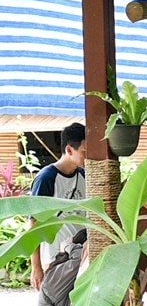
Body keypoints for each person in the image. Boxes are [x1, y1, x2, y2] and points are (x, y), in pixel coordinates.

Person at [30, 122, 87, 290]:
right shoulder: (47, 178)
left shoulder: (84, 176)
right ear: (69, 150)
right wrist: (36, 267)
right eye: (85, 152)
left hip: (81, 257)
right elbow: (34, 224)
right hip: (55, 259)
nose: (89, 156)